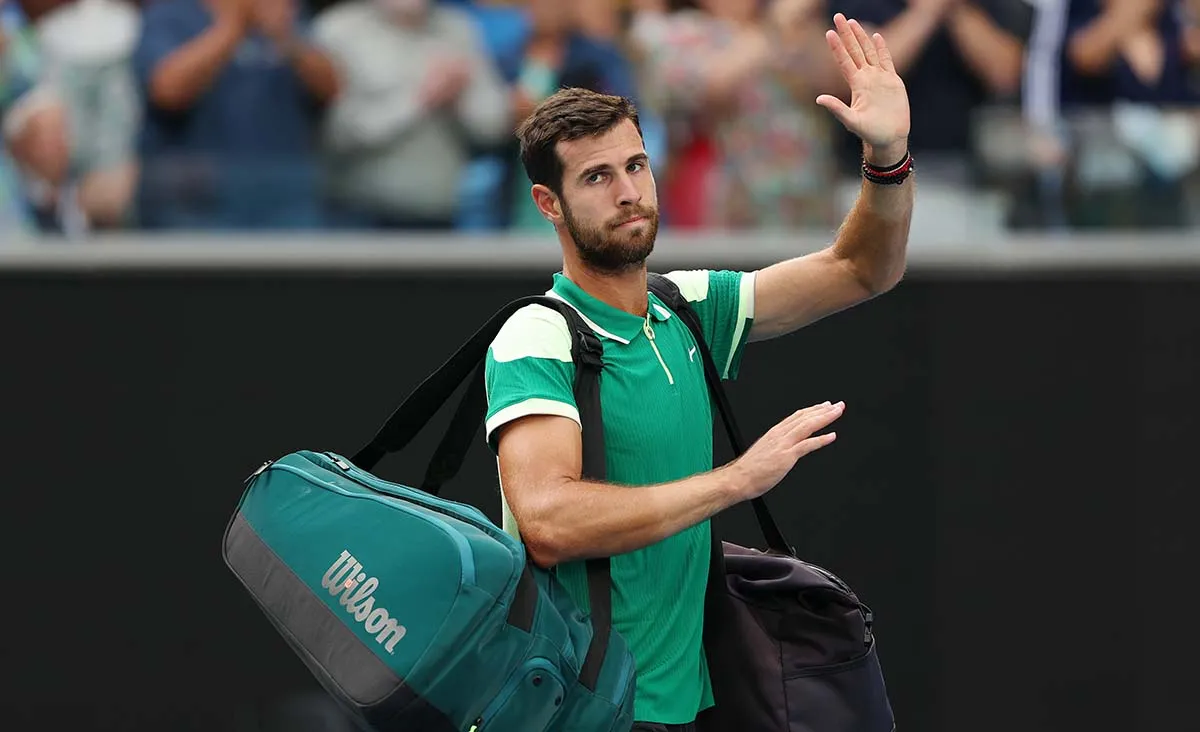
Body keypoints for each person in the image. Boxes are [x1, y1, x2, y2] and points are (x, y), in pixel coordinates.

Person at [483, 13, 914, 732]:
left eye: (636, 165)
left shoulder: (685, 306)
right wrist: (737, 481)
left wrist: (888, 157)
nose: (628, 191)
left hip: (685, 709)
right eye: (597, 177)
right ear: (548, 204)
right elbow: (548, 521)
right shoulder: (538, 334)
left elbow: (861, 268)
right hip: (579, 711)